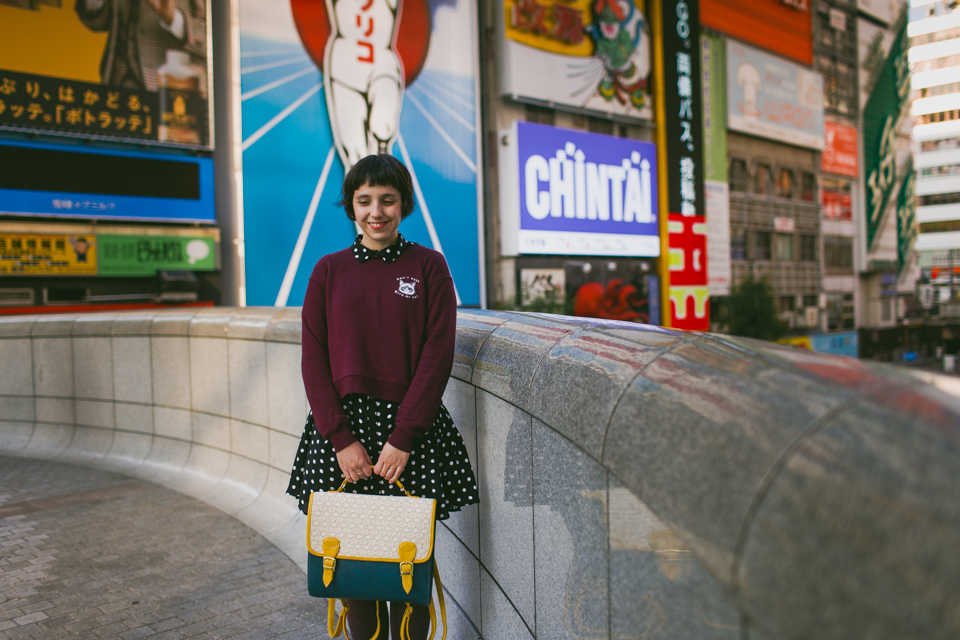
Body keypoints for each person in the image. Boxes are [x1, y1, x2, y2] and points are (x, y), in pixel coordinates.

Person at [287, 154, 478, 639]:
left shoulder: (429, 266)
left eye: (388, 200)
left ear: (404, 205)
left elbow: (437, 355)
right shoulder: (327, 271)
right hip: (343, 438)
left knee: (408, 572)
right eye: (365, 200)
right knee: (352, 571)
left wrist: (405, 436)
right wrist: (340, 439)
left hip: (411, 437)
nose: (377, 211)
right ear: (350, 205)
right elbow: (314, 360)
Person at [75, 0, 207, 92]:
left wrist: (173, 19)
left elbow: (221, 42)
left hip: (176, 93)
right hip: (118, 88)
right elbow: (99, 23)